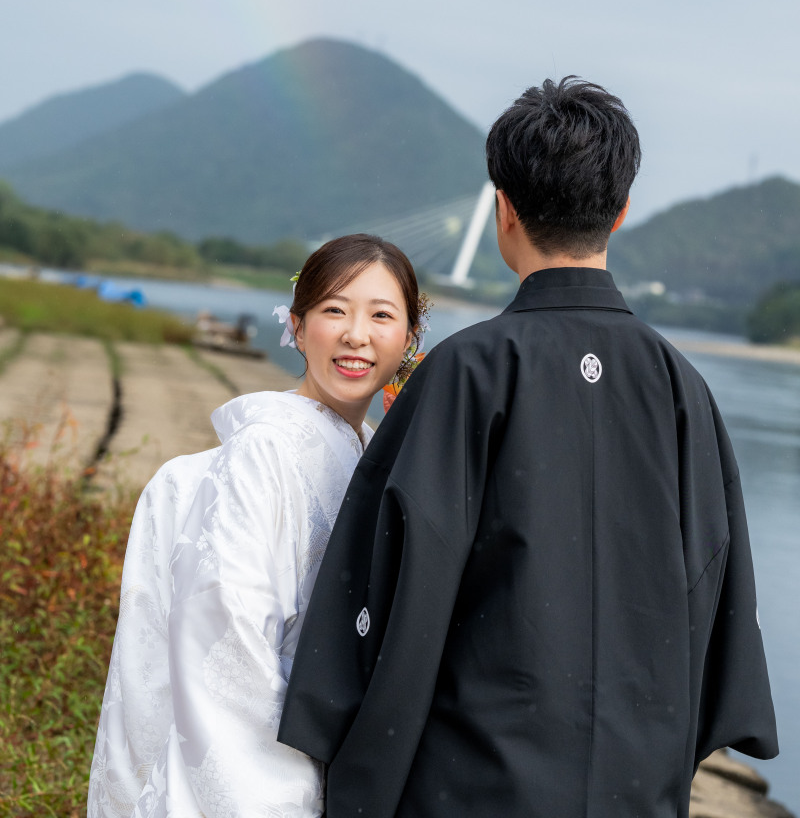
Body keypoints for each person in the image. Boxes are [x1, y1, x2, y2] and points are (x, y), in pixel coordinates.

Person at [279, 78, 779, 818]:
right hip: (633, 785)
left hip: (470, 782)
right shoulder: (682, 387)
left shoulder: (466, 370)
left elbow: (395, 581)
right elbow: (716, 589)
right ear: (621, 211)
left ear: (503, 209)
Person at [88, 234, 425, 818]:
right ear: (297, 326)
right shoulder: (264, 450)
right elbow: (228, 638)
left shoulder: (375, 455)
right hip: (264, 772)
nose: (356, 335)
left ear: (409, 339)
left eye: (381, 316)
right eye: (334, 310)